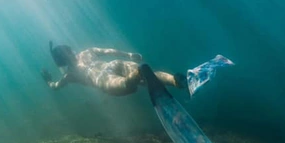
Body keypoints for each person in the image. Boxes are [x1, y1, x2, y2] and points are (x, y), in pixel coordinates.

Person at [41, 42, 187, 96]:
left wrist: (48, 80)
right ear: (70, 51)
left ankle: (136, 75)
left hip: (104, 80)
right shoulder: (87, 52)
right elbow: (109, 52)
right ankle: (174, 80)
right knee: (151, 76)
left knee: (127, 85)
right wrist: (130, 55)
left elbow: (55, 86)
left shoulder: (70, 75)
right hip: (113, 65)